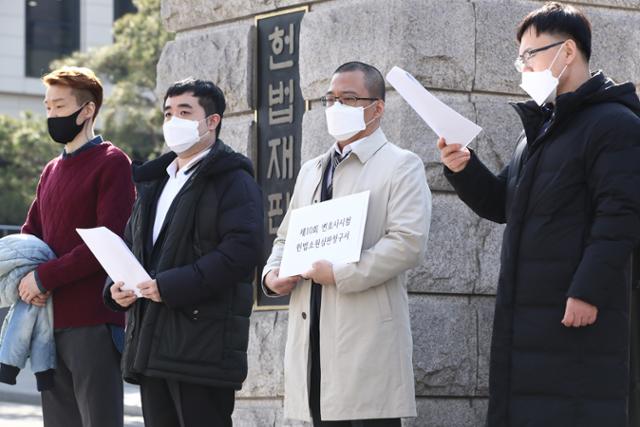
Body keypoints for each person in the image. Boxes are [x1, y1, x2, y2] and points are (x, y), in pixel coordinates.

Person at [438, 3, 640, 426]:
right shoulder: (538, 134)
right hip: (527, 313)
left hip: (576, 313)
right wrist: (464, 167)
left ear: (567, 53)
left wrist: (588, 290)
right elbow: (502, 204)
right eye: (521, 58)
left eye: (531, 54)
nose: (523, 67)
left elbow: (620, 215)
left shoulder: (614, 125)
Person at [262, 61, 431, 426]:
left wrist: (340, 272)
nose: (337, 108)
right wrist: (272, 273)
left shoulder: (401, 165)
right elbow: (286, 237)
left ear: (378, 108)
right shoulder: (312, 170)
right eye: (331, 99)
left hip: (365, 338)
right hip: (313, 337)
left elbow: (408, 243)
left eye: (349, 99)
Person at [103, 78, 264, 427]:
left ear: (212, 121)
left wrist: (171, 286)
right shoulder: (154, 181)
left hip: (201, 345)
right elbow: (133, 247)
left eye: (184, 111)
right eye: (167, 113)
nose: (173, 121)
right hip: (152, 345)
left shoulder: (231, 179)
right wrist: (115, 289)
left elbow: (242, 251)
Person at [19, 66, 135, 427]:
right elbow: (30, 234)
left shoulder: (113, 163)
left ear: (87, 110)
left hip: (95, 323)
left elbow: (107, 240)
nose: (51, 115)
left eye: (59, 106)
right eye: (48, 107)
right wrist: (27, 277)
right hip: (49, 323)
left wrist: (44, 278)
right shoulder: (51, 170)